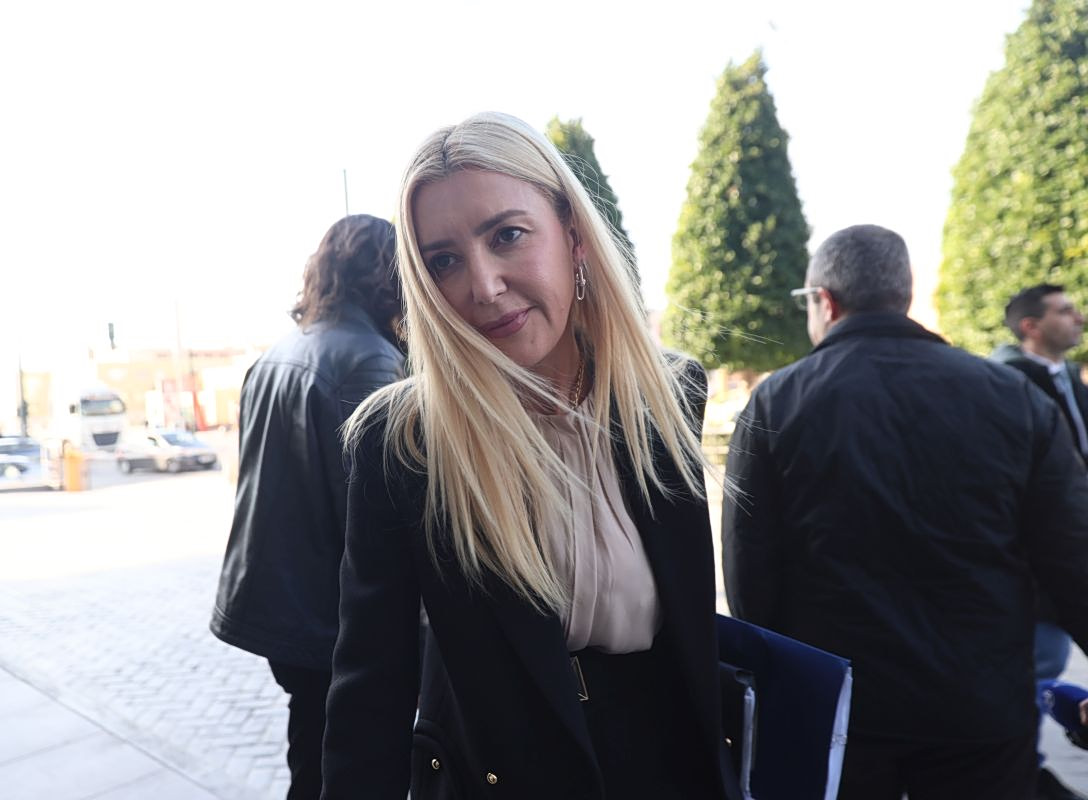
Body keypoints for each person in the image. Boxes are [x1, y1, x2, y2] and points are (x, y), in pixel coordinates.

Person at [321, 112, 738, 799]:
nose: (483, 286)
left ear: (573, 235)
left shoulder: (668, 394)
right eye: (444, 261)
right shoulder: (404, 442)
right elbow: (371, 687)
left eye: (507, 236)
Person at [722, 225, 1088, 800]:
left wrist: (774, 680)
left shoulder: (778, 402)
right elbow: (1072, 556)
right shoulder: (1013, 397)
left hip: (841, 709)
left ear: (825, 301)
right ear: (904, 295)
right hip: (980, 706)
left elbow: (750, 569)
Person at [211, 214, 404, 800]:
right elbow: (379, 517)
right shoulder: (370, 360)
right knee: (351, 764)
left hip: (279, 607)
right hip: (333, 617)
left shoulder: (275, 354)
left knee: (313, 750)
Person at [990, 284, 1088, 800]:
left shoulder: (1068, 378)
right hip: (1038, 568)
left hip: (1074, 552)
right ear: (1030, 325)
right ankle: (1023, 773)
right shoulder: (1007, 383)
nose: (1079, 318)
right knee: (1034, 672)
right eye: (1065, 311)